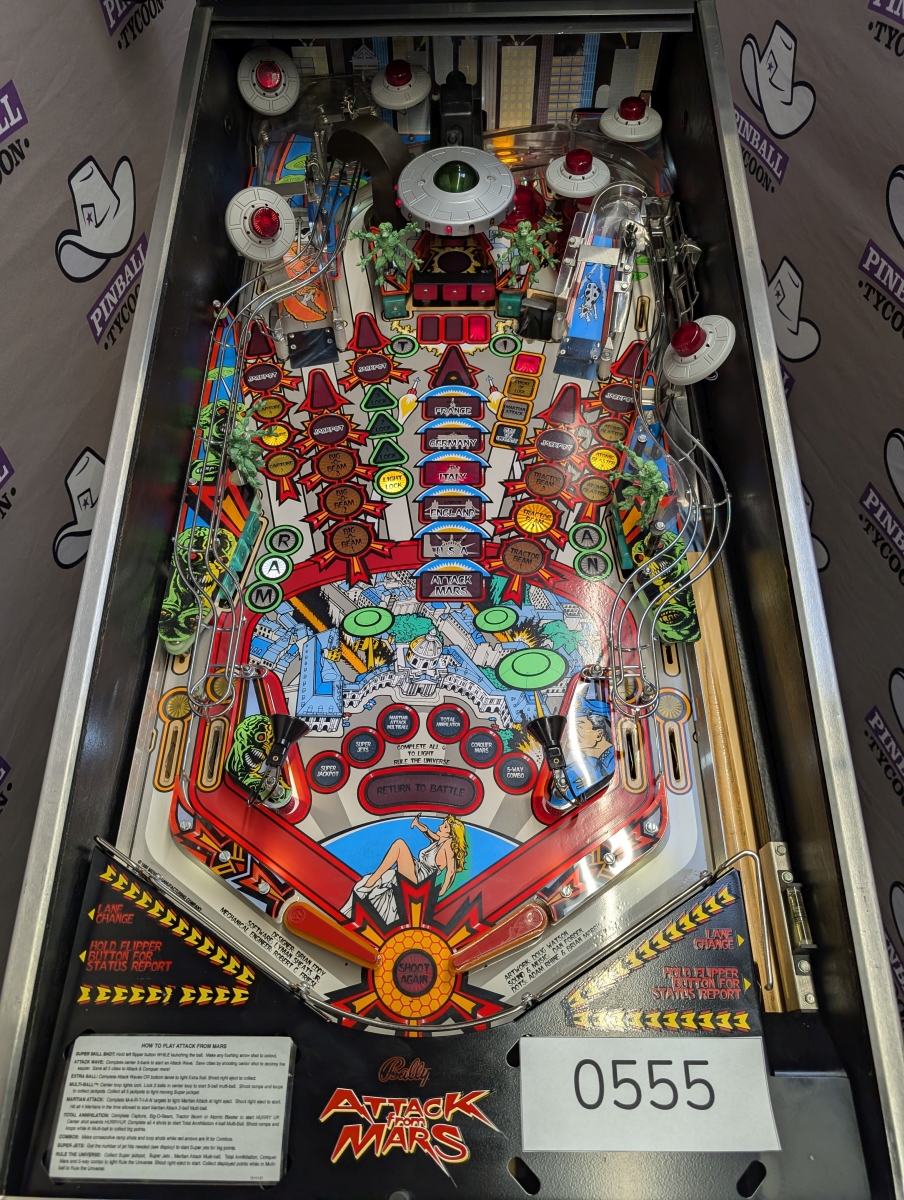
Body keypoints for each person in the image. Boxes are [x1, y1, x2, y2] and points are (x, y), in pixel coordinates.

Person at [341, 814, 469, 925]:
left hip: (420, 880)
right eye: (443, 824)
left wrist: (441, 892)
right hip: (416, 870)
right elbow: (427, 831)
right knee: (396, 857)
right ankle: (373, 881)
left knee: (400, 845)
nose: (440, 826)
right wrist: (417, 824)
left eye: (445, 826)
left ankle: (373, 880)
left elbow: (451, 871)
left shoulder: (448, 846)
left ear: (451, 834)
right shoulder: (439, 841)